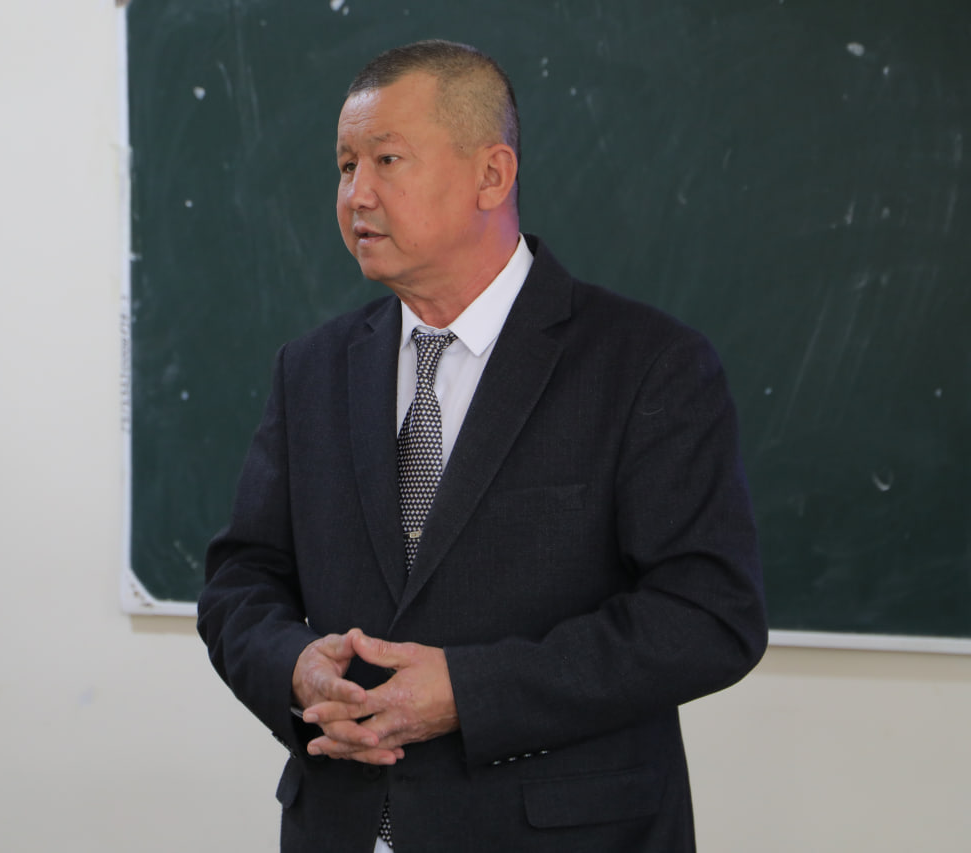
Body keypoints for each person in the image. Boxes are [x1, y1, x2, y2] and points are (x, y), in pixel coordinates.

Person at [197, 39, 767, 853]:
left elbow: (708, 616)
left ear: (492, 176)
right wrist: (294, 667)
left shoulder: (646, 363)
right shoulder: (313, 368)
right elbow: (241, 580)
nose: (357, 193)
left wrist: (471, 690)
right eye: (345, 165)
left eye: (387, 159)